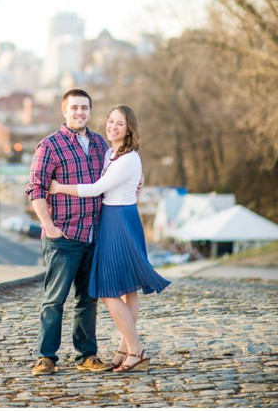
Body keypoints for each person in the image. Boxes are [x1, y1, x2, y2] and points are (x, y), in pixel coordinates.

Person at [49, 104, 170, 373]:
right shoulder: (110, 153)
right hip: (115, 218)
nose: (113, 127)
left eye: (120, 124)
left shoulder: (128, 158)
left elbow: (96, 188)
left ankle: (136, 349)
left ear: (129, 131)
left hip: (120, 221)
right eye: (111, 121)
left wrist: (58, 188)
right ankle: (125, 349)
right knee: (127, 289)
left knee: (107, 291)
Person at [26, 89, 113, 376]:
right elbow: (36, 189)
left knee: (88, 300)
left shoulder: (101, 145)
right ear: (65, 111)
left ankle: (87, 355)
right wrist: (49, 227)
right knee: (54, 300)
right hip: (63, 238)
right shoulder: (50, 146)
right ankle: (45, 357)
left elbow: (113, 178)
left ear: (90, 111)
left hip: (94, 235)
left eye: (85, 108)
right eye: (74, 108)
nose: (80, 112)